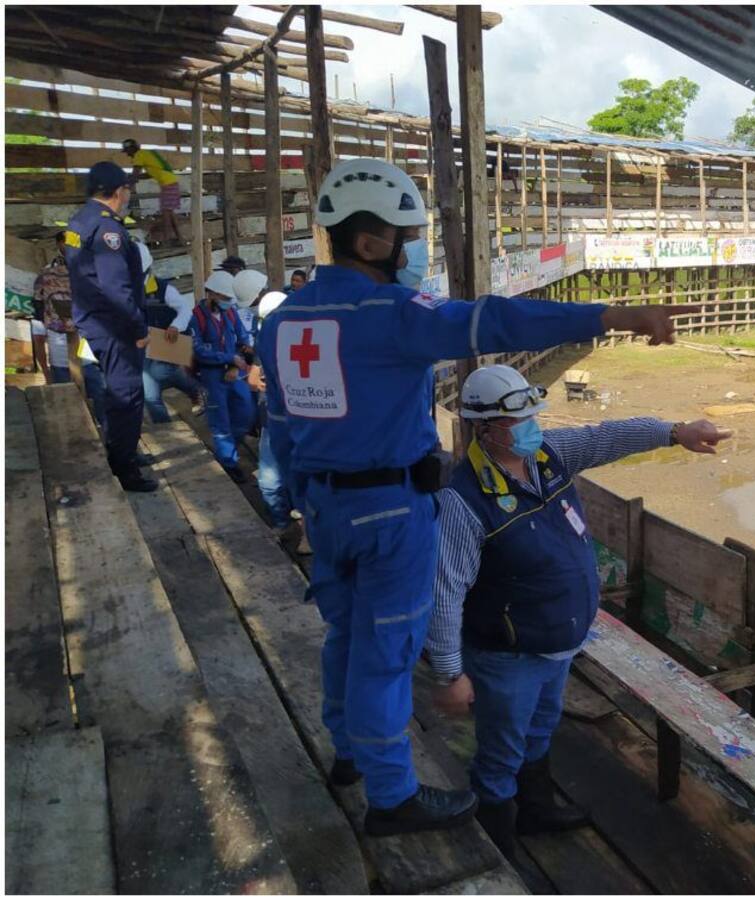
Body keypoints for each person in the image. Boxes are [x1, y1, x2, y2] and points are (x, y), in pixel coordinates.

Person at [256, 157, 694, 838]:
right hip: (391, 511)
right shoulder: (392, 312)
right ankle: (392, 796)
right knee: (386, 655)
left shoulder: (284, 321)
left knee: (344, 637)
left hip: (324, 505)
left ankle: (349, 753)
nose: (412, 250)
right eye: (406, 237)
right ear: (372, 243)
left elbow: (281, 427)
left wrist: (301, 503)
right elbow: (495, 322)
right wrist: (611, 314)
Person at [428, 365, 731, 856]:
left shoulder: (550, 457)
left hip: (559, 645)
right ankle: (498, 850)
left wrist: (675, 433)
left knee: (541, 729)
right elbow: (445, 593)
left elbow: (607, 437)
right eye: (518, 419)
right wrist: (448, 673)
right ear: (484, 428)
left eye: (532, 414)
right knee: (500, 752)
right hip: (509, 657)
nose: (532, 426)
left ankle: (537, 810)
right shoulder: (463, 502)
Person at [64, 160, 156, 492]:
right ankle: (124, 469)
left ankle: (123, 450)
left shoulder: (80, 220)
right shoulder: (108, 231)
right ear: (118, 192)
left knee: (118, 392)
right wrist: (138, 330)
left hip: (94, 319)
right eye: (128, 188)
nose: (129, 194)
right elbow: (116, 289)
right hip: (115, 327)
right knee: (127, 395)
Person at [188, 270, 256, 484]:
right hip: (211, 377)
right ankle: (229, 463)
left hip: (235, 372)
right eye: (225, 298)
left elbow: (242, 337)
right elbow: (198, 350)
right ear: (211, 294)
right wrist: (228, 359)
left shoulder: (230, 313)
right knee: (220, 422)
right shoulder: (195, 317)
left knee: (246, 412)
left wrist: (238, 361)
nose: (228, 302)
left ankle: (231, 447)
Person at [246, 289, 300, 537]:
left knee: (304, 478)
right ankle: (281, 521)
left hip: (305, 422)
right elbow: (253, 379)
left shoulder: (307, 339)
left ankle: (306, 527)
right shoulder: (265, 342)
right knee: (269, 480)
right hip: (273, 418)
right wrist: (263, 384)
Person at [139, 242, 204, 424]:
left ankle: (195, 389)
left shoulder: (163, 288)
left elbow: (185, 309)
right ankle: (164, 426)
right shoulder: (125, 289)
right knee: (150, 396)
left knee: (159, 372)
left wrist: (175, 326)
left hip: (167, 343)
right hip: (143, 346)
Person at [122, 139, 182, 245]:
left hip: (167, 183)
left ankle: (167, 241)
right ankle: (180, 238)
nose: (127, 154)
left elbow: (136, 173)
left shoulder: (139, 155)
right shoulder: (147, 153)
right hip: (172, 181)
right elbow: (150, 174)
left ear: (132, 149)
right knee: (170, 212)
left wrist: (127, 187)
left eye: (127, 151)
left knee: (166, 213)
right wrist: (134, 177)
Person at [33, 231, 75, 384]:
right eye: (66, 242)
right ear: (58, 244)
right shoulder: (47, 272)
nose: (70, 246)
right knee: (64, 389)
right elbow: (38, 306)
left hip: (87, 346)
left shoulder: (87, 270)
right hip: (59, 343)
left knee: (96, 391)